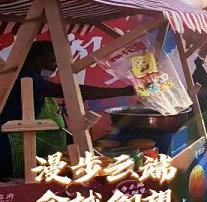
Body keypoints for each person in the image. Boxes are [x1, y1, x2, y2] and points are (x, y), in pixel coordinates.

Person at [0, 41, 136, 179]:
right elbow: (70, 91)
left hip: (32, 147)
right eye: (53, 62)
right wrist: (123, 91)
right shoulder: (25, 78)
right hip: (13, 147)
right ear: (37, 60)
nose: (55, 66)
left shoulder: (35, 78)